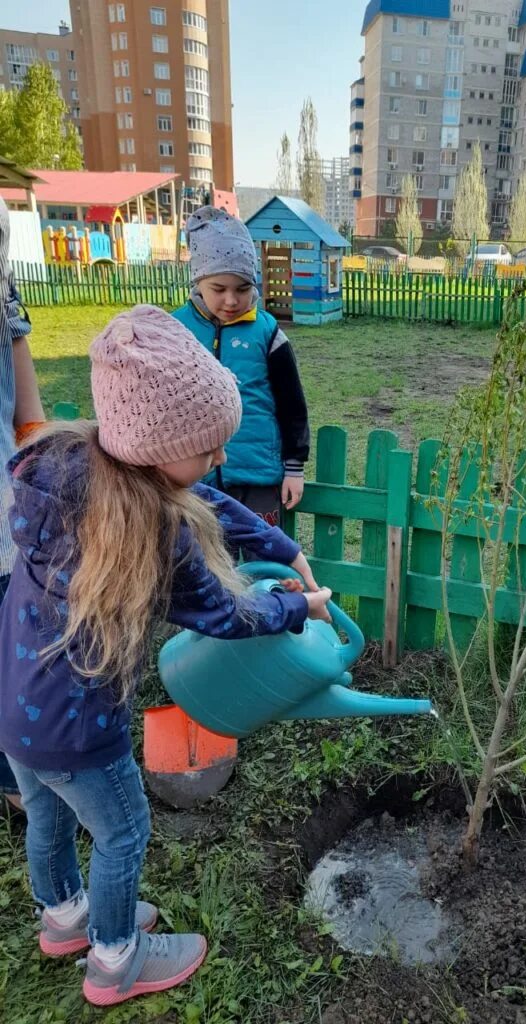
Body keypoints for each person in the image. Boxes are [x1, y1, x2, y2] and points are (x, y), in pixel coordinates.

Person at [0, 306, 331, 1007]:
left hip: (14, 715)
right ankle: (116, 957)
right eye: (208, 445)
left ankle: (64, 919)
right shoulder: (149, 532)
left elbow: (205, 497)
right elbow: (228, 613)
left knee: (49, 817)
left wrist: (283, 547)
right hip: (82, 733)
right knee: (123, 832)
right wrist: (297, 605)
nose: (219, 459)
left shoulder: (60, 468)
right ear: (156, 446)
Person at [173, 205, 309, 526]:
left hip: (257, 477)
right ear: (198, 282)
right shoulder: (176, 330)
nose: (232, 300)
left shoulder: (267, 333)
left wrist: (294, 468)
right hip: (196, 480)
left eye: (243, 289)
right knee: (207, 565)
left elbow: (292, 404)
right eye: (219, 289)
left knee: (263, 559)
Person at [0, 195, 45, 812]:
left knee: (11, 637)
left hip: (3, 506)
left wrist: (38, 477)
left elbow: (29, 412)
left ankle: (15, 781)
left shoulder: (5, 309)